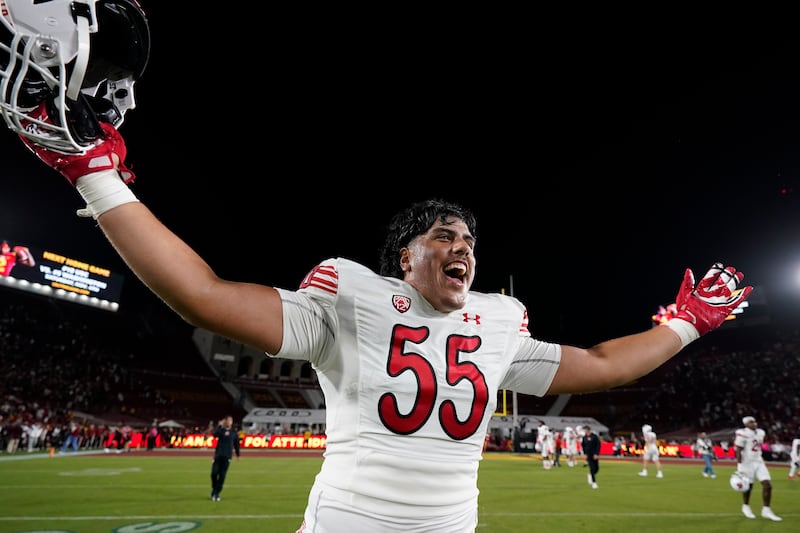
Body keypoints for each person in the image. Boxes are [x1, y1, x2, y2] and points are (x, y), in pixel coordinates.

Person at [14, 111, 753, 532]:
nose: (461, 248)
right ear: (406, 256)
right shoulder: (351, 297)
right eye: (443, 236)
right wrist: (95, 173)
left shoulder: (499, 322)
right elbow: (203, 294)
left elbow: (602, 364)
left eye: (469, 241)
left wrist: (686, 323)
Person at [735, 416, 782, 521]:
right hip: (747, 462)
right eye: (751, 422)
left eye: (754, 421)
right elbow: (738, 449)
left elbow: (759, 445)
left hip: (758, 461)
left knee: (768, 485)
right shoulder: (742, 433)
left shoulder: (761, 432)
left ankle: (766, 510)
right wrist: (739, 466)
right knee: (748, 486)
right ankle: (746, 506)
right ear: (746, 424)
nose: (754, 423)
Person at [210, 415, 241, 502]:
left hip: (227, 456)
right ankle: (214, 489)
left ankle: (216, 493)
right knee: (213, 473)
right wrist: (219, 426)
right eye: (228, 420)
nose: (229, 422)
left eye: (231, 420)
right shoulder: (221, 430)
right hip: (218, 455)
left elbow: (236, 444)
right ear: (225, 421)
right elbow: (215, 435)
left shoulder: (234, 432)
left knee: (222, 476)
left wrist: (238, 454)